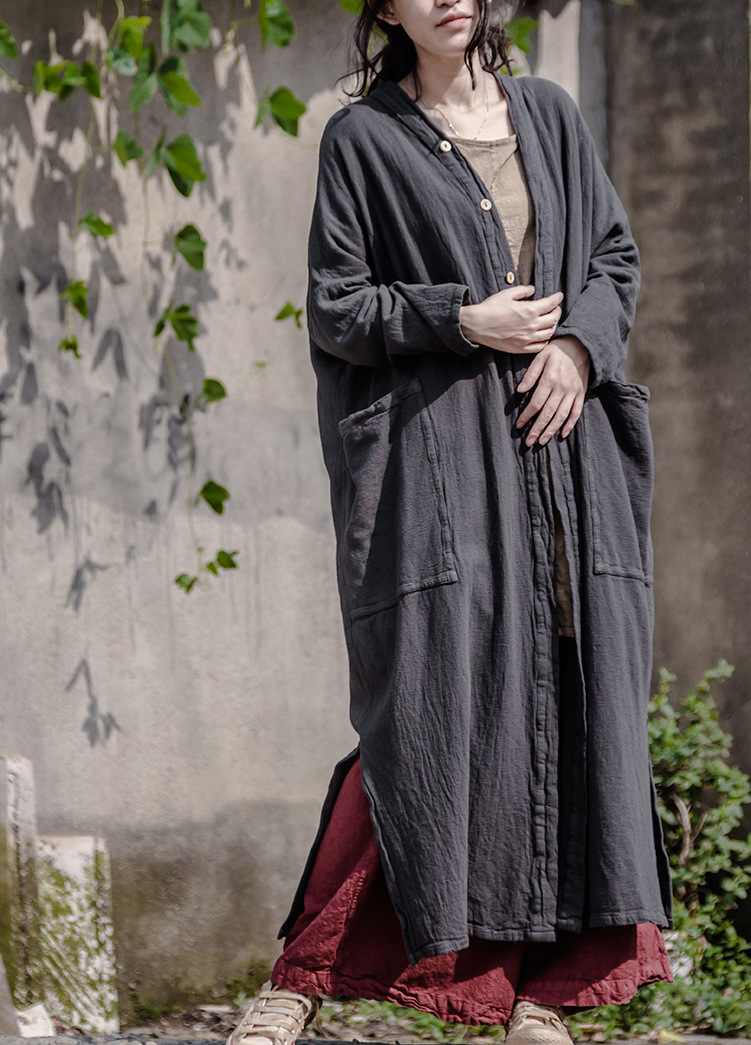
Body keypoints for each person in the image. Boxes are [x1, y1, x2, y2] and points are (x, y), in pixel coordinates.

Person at [227, 2, 675, 1044]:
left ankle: (539, 993)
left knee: (567, 690)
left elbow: (611, 259)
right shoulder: (363, 138)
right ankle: (300, 975)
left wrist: (576, 352)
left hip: (564, 465)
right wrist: (460, 318)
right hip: (443, 469)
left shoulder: (548, 113)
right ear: (385, 8)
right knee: (428, 705)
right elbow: (337, 306)